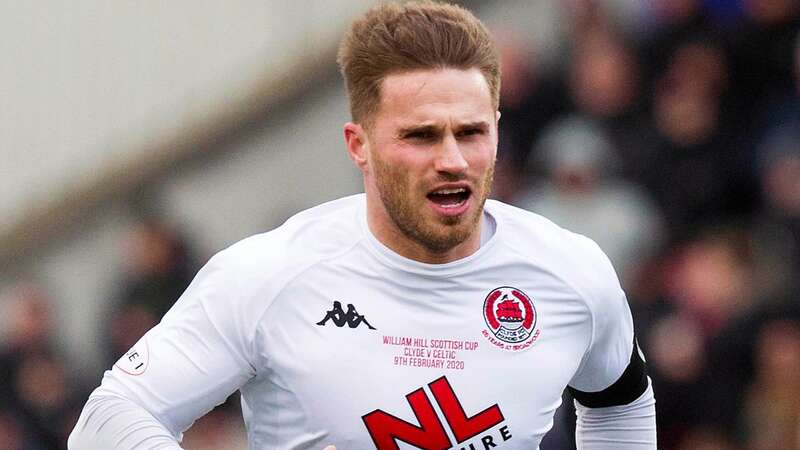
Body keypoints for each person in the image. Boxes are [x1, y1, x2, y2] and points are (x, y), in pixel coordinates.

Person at [68, 2, 656, 449]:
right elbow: (110, 416)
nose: (452, 159)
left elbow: (621, 400)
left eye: (471, 132)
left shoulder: (570, 271)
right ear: (360, 146)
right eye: (421, 135)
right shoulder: (268, 275)